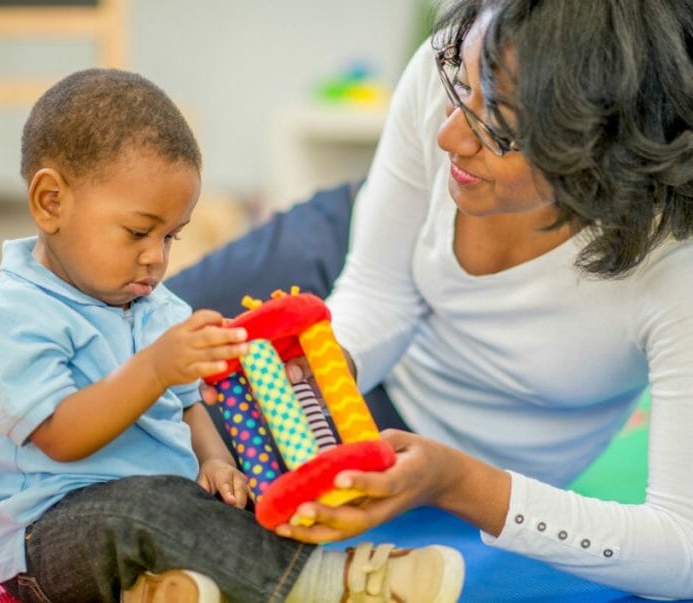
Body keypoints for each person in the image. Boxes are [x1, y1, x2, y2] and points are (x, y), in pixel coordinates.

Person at [0, 69, 465, 603]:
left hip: (162, 508)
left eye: (170, 236)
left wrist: (216, 462)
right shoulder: (12, 315)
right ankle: (336, 583)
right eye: (137, 232)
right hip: (53, 537)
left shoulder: (154, 306)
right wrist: (153, 369)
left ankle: (168, 591)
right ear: (51, 201)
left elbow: (191, 407)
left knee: (238, 496)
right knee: (144, 511)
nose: (156, 256)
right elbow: (60, 437)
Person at [260, 0, 692, 600]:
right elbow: (378, 289)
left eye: (501, 129)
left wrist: (456, 483)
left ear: (603, 150)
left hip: (460, 456)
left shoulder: (678, 270)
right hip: (341, 268)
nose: (449, 135)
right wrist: (324, 369)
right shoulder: (470, 56)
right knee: (129, 359)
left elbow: (681, 551)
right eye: (458, 88)